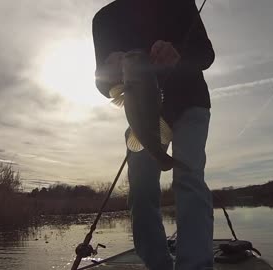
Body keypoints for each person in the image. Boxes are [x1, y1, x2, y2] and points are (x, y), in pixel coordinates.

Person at [92, 0, 215, 269]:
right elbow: (103, 83)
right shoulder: (103, 19)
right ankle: (157, 264)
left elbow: (206, 54)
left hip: (190, 102)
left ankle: (195, 265)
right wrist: (109, 70)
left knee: (189, 179)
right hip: (143, 117)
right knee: (141, 189)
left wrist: (179, 52)